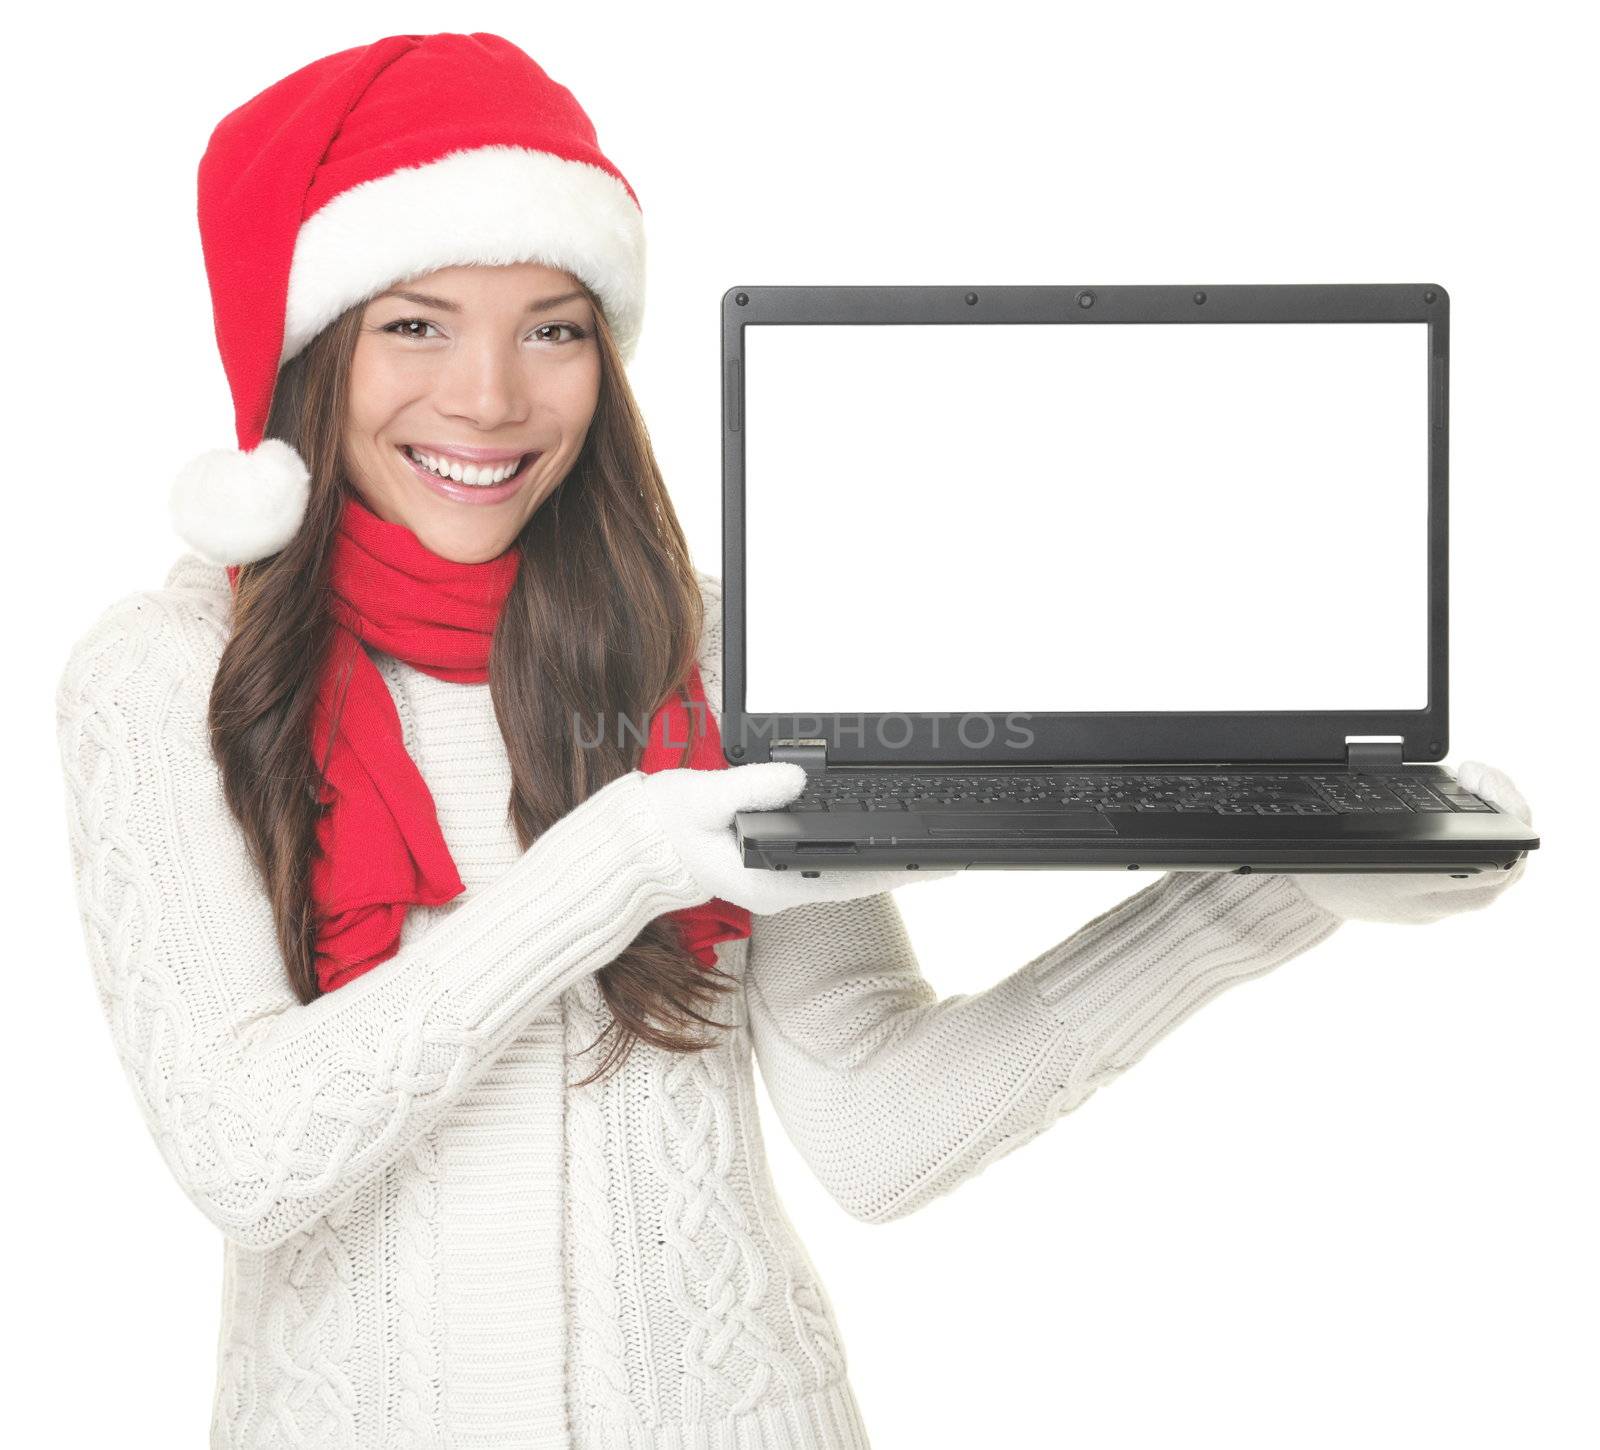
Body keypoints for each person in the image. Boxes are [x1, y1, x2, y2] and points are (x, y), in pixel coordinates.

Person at [51, 31, 1533, 1450]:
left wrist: (1274, 880)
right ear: (313, 354)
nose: (489, 397)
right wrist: (622, 858)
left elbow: (877, 1128)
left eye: (552, 328)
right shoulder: (169, 675)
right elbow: (245, 1154)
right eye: (416, 325)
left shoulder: (697, 647)